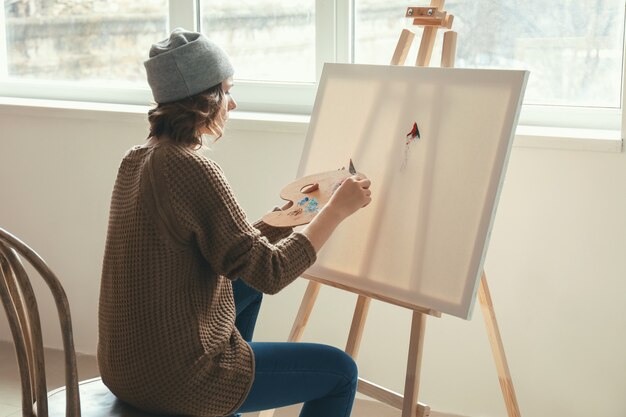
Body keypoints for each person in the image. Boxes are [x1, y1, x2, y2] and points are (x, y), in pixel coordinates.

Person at [98, 28, 372, 417]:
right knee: (341, 372)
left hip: (126, 369)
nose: (234, 102)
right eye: (227, 91)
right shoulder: (192, 167)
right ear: (205, 100)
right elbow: (272, 272)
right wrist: (336, 212)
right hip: (177, 380)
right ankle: (219, 398)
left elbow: (234, 251)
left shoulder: (139, 158)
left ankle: (228, 408)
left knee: (244, 285)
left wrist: (294, 214)